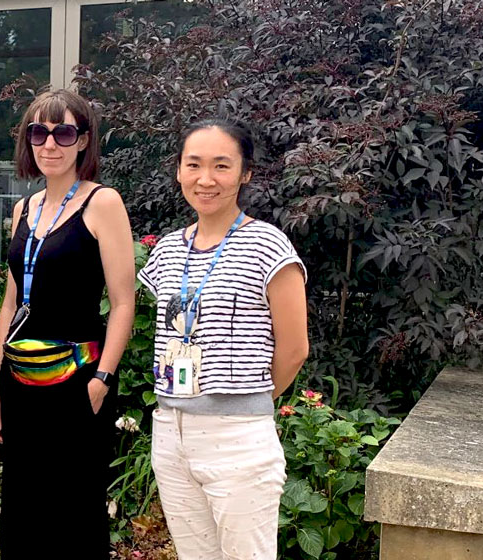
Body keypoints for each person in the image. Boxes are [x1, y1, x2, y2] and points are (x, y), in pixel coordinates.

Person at [137, 119, 309, 560]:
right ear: (179, 170)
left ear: (245, 173)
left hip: (238, 437)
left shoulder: (267, 246)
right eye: (193, 164)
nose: (205, 179)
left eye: (221, 165)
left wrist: (245, 400)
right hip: (171, 431)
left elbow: (294, 349)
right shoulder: (167, 250)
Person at [0, 89, 136, 558]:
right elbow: (11, 303)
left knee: (75, 509)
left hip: (78, 379)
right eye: (39, 133)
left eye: (63, 133)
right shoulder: (23, 209)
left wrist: (102, 379)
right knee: (24, 506)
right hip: (21, 381)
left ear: (83, 140)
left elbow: (123, 302)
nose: (50, 144)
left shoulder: (102, 203)